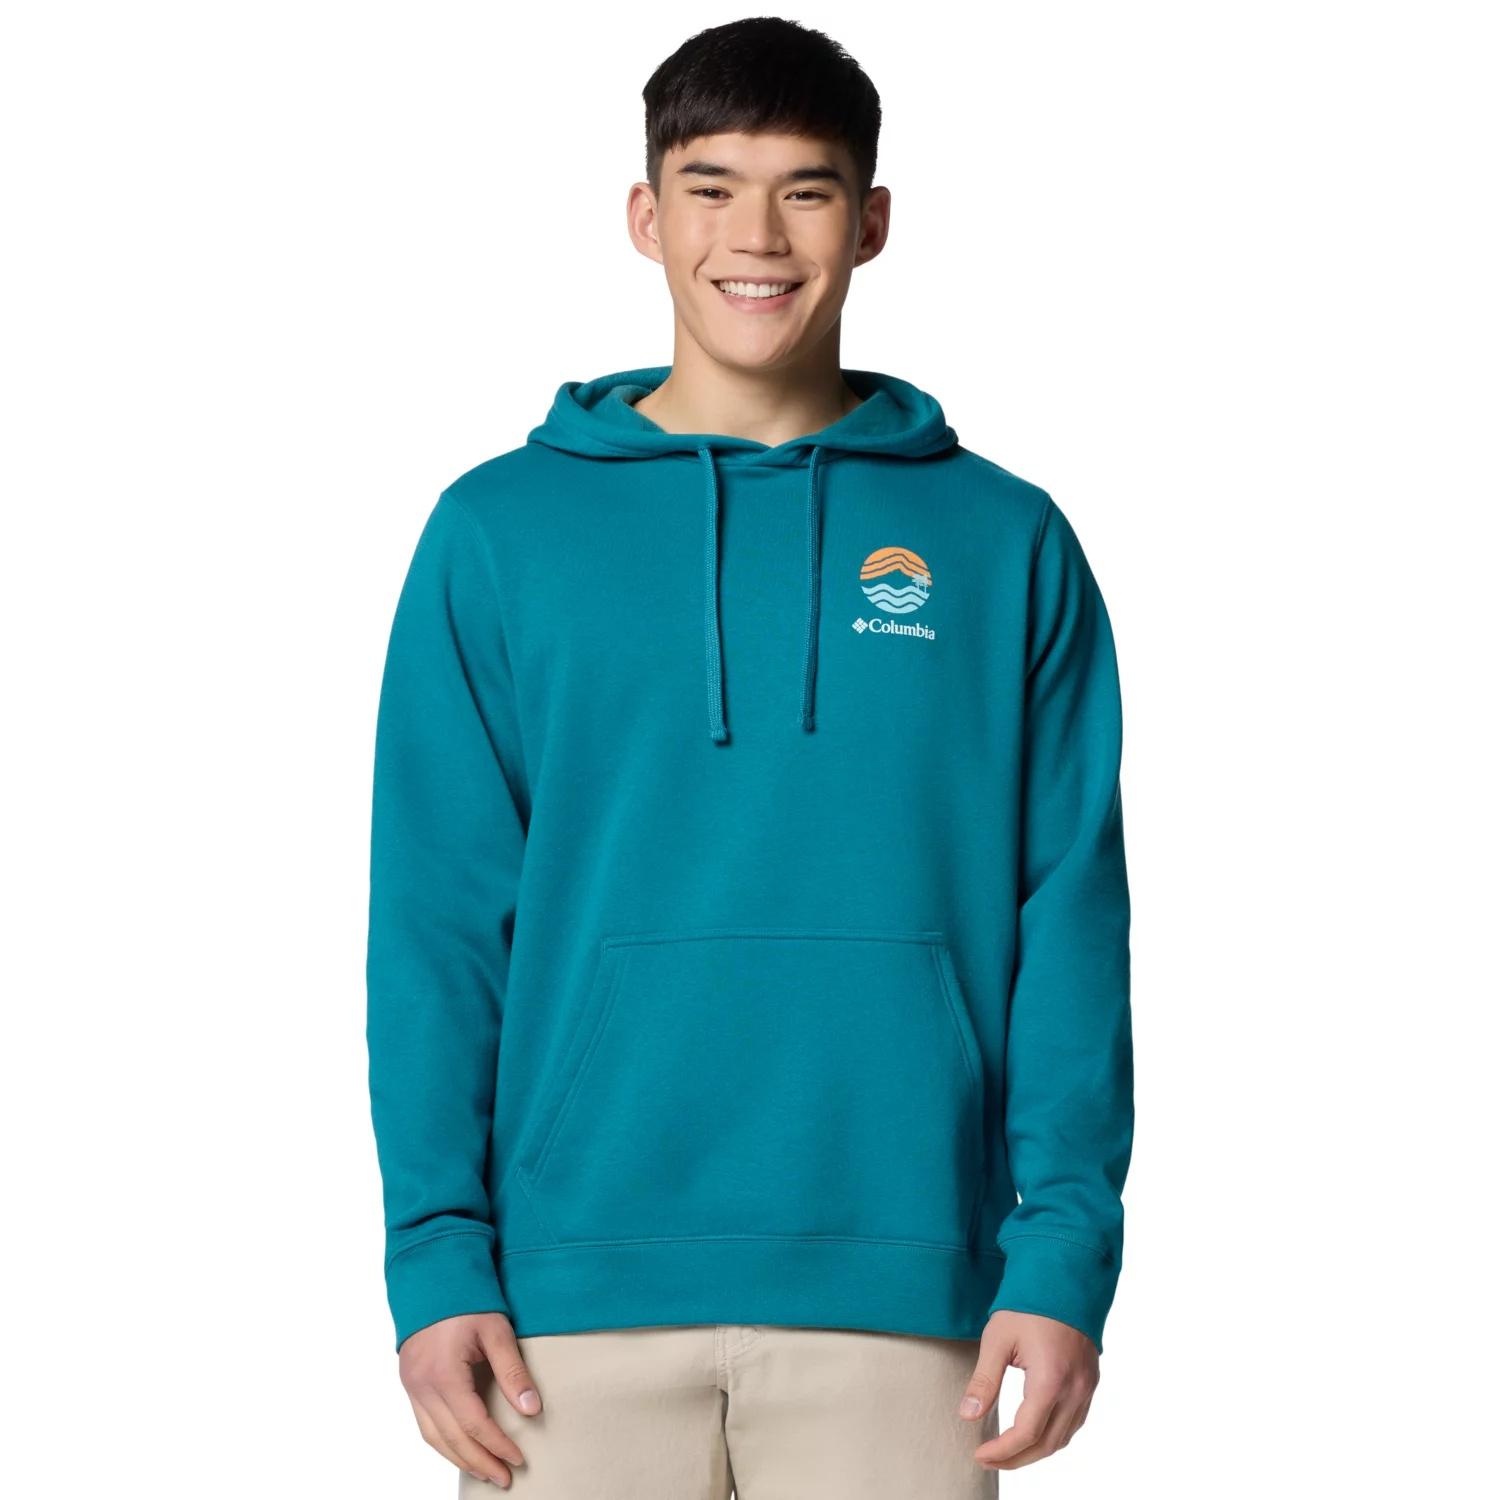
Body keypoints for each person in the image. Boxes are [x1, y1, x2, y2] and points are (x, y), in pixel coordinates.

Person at [365, 16, 1133, 1496]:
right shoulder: (499, 532)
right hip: (563, 1298)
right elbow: (438, 925)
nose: (757, 237)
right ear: (645, 215)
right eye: (711, 188)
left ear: (872, 221)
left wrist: (1061, 1253)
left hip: (913, 1288)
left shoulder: (1005, 540)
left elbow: (1071, 924)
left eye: (807, 190)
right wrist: (434, 1256)